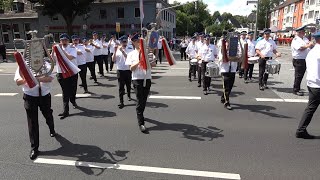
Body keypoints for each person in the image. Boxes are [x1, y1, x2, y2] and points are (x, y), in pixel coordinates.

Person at [14, 63, 56, 160]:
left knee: (48, 114)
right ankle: (34, 148)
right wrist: (27, 80)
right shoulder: (23, 65)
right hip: (29, 96)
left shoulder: (45, 64)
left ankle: (51, 128)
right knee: (32, 122)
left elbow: (50, 78)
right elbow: (18, 81)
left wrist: (36, 79)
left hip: (44, 96)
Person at [125, 34, 156, 133]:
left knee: (144, 99)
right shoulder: (131, 54)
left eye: (140, 41)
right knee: (139, 100)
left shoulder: (148, 53)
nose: (139, 43)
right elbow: (131, 68)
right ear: (133, 42)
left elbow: (154, 65)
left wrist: (148, 60)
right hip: (137, 79)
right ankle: (141, 123)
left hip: (147, 78)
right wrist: (140, 61)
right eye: (137, 41)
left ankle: (140, 113)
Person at [295, 32, 320, 139]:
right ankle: (300, 130)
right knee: (311, 108)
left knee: (310, 108)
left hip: (312, 83)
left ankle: (301, 130)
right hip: (318, 84)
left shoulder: (312, 51)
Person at [54, 33, 78, 119]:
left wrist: (61, 50)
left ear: (68, 41)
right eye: (62, 40)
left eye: (65, 40)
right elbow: (52, 59)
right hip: (61, 73)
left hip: (71, 72)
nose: (63, 42)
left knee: (73, 89)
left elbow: (70, 58)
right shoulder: (56, 49)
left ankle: (73, 100)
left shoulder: (72, 48)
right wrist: (54, 50)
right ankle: (66, 111)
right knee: (65, 91)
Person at [217, 31, 238, 110]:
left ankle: (223, 97)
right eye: (227, 41)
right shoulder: (221, 47)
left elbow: (239, 55)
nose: (228, 43)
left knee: (230, 86)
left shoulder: (235, 48)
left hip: (232, 68)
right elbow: (221, 56)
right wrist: (225, 47)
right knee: (226, 86)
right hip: (224, 69)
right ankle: (227, 102)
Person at [291, 26, 314, 96]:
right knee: (298, 75)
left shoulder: (304, 38)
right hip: (298, 59)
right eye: (303, 32)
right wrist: (308, 45)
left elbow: (310, 45)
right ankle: (296, 89)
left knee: (301, 75)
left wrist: (311, 44)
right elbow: (300, 48)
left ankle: (297, 88)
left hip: (304, 59)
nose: (304, 33)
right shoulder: (295, 40)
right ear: (299, 32)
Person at [113, 35, 133, 109]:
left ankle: (129, 95)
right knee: (121, 87)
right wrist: (115, 52)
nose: (124, 43)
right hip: (120, 70)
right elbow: (113, 60)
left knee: (128, 84)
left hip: (128, 70)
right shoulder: (117, 49)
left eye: (125, 42)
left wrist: (123, 51)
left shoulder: (130, 48)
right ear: (120, 42)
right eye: (123, 42)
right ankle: (121, 102)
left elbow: (129, 58)